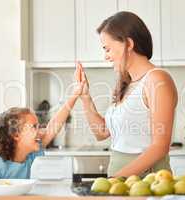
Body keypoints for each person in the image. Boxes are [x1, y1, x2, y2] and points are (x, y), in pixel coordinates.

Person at [76, 11, 178, 177]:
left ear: (129, 44)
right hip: (121, 184)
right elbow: (101, 133)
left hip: (148, 183)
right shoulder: (127, 84)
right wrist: (85, 97)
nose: (105, 56)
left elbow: (160, 146)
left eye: (107, 49)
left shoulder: (157, 79)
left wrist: (116, 180)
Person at [0, 69, 85, 180]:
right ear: (16, 134)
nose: (42, 131)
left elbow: (53, 127)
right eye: (34, 127)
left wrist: (75, 94)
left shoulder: (29, 156)